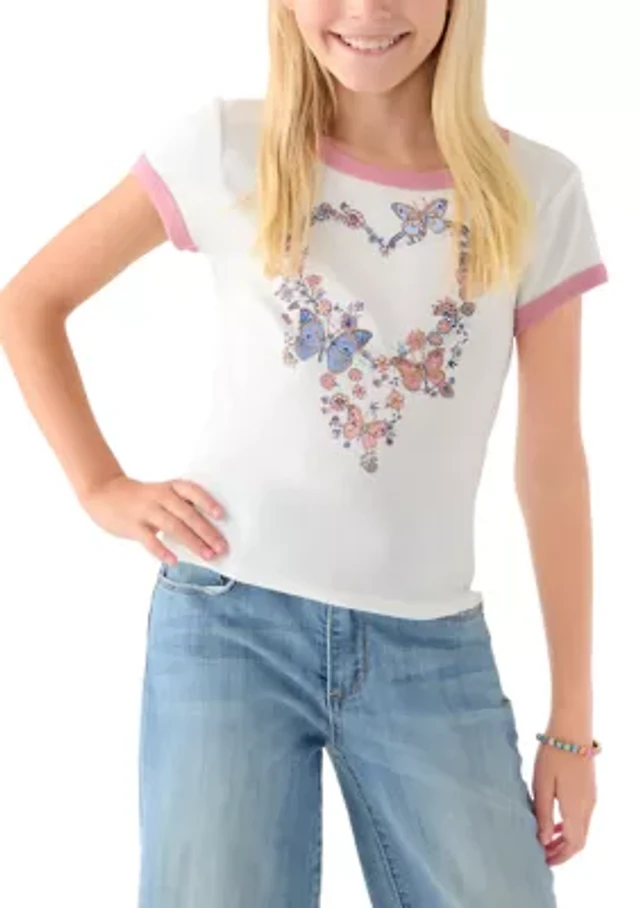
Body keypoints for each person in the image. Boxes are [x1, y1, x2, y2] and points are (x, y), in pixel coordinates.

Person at [0, 1, 608, 905]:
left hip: (431, 646)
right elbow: (31, 302)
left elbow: (552, 461)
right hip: (227, 624)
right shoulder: (225, 147)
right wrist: (101, 486)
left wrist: (571, 728)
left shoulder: (536, 190)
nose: (365, 11)